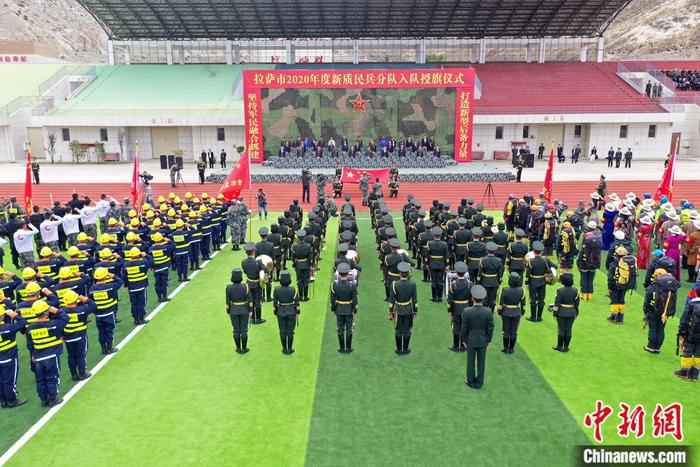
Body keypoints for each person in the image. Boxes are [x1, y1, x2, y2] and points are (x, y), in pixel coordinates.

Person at [25, 300, 68, 406]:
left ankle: (44, 399)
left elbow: (30, 345)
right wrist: (56, 310)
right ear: (46, 312)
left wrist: (33, 356)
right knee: (52, 378)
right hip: (51, 356)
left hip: (38, 358)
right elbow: (65, 318)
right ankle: (53, 398)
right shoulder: (53, 324)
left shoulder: (30, 328)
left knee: (40, 380)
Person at [460, 285, 493, 389]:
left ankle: (470, 381)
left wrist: (464, 340)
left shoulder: (467, 311)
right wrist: (488, 341)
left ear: (472, 298)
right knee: (481, 362)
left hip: (470, 339)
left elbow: (464, 328)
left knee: (470, 362)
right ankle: (479, 382)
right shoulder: (488, 311)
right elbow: (490, 328)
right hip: (483, 340)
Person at [60, 289, 96, 381]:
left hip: (68, 337)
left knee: (71, 356)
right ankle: (82, 373)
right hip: (80, 336)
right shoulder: (82, 309)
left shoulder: (62, 312)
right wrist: (84, 298)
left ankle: (74, 374)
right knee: (81, 355)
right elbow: (93, 305)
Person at [643, 268, 679, 353]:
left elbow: (647, 300)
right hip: (665, 312)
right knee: (661, 328)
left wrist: (646, 312)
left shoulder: (653, 286)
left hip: (653, 311)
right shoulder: (671, 287)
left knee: (653, 328)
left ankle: (651, 346)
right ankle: (658, 347)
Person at [89, 267, 123, 354]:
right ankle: (109, 348)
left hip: (98, 314)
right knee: (109, 332)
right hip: (109, 313)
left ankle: (103, 349)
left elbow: (91, 300)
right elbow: (120, 282)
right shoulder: (110, 287)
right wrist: (113, 276)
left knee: (101, 332)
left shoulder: (92, 289)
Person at [0, 303, 27, 408]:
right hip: (9, 357)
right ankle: (12, 400)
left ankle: (3, 400)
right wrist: (14, 315)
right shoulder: (8, 328)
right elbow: (23, 322)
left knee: (1, 380)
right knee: (10, 380)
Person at [389, 262, 417, 355]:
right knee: (407, 330)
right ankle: (405, 348)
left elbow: (391, 301)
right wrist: (415, 312)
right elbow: (415, 300)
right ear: (408, 273)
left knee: (398, 330)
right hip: (409, 309)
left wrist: (390, 312)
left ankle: (398, 349)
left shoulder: (394, 284)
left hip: (398, 310)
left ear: (400, 273)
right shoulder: (412, 284)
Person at [675, 284, 700, 380]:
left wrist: (681, 332)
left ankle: (684, 371)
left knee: (688, 351)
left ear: (696, 293)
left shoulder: (691, 304)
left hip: (691, 333)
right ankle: (695, 374)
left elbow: (684, 319)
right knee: (699, 352)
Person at [331, 263, 357, 353]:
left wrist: (334, 309)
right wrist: (354, 309)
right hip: (349, 309)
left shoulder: (334, 285)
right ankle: (348, 348)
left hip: (339, 309)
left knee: (340, 328)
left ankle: (342, 348)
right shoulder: (352, 285)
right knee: (349, 329)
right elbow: (354, 300)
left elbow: (333, 299)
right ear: (347, 273)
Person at [607, 246, 637, 324]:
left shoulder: (614, 263)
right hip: (625, 284)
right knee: (621, 300)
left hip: (615, 284)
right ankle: (620, 318)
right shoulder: (628, 263)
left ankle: (614, 317)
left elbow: (610, 277)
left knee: (615, 301)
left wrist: (609, 287)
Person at [551, 272, 580, 352]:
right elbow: (577, 303)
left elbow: (557, 304)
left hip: (561, 312)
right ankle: (566, 347)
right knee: (568, 330)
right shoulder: (575, 290)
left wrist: (554, 313)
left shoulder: (560, 291)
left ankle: (559, 346)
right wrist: (576, 312)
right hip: (571, 312)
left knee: (561, 329)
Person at [226, 268, 252, 354]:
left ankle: (238, 348)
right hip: (244, 309)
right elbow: (250, 301)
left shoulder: (228, 287)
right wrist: (250, 310)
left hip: (233, 309)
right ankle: (244, 348)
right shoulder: (245, 286)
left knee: (236, 330)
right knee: (244, 330)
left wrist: (228, 311)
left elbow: (227, 302)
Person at [273, 271, 300, 355]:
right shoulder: (293, 289)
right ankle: (290, 348)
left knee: (282, 331)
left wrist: (275, 311)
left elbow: (275, 302)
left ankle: (284, 348)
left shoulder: (276, 289)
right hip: (291, 311)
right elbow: (297, 302)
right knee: (290, 331)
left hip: (280, 311)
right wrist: (298, 311)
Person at [498, 272, 525, 354]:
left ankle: (506, 348)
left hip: (506, 312)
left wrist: (499, 312)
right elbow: (523, 303)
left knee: (506, 331)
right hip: (516, 312)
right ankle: (511, 348)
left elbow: (501, 303)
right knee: (514, 331)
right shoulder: (521, 290)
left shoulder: (505, 290)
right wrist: (522, 312)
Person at [447, 262, 471, 352]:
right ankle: (464, 345)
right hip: (466, 307)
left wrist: (449, 311)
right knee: (465, 326)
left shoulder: (453, 284)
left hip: (456, 308)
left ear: (456, 273)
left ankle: (456, 346)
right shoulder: (470, 284)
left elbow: (450, 300)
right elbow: (471, 299)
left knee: (456, 327)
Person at [241, 243, 265, 325]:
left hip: (249, 283)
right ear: (254, 251)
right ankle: (258, 318)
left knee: (250, 301)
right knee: (257, 301)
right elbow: (265, 271)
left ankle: (251, 317)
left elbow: (245, 271)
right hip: (257, 284)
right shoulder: (258, 262)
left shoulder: (243, 262)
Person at [292, 230, 312, 301]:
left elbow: (293, 257)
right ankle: (305, 296)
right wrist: (310, 265)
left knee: (299, 281)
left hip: (298, 265)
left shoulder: (295, 246)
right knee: (306, 280)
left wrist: (294, 265)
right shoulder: (308, 246)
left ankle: (300, 296)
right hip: (306, 264)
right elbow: (310, 257)